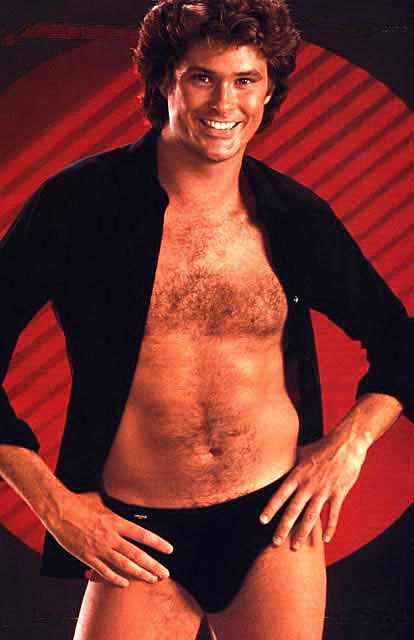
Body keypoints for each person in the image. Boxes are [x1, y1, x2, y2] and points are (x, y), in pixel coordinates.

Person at [0, 0, 412, 638]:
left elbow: (401, 344)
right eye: (202, 77)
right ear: (164, 81)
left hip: (275, 523)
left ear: (268, 90)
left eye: (245, 79)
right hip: (140, 532)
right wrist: (55, 507)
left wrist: (347, 447)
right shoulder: (78, 206)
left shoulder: (293, 216)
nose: (225, 103)